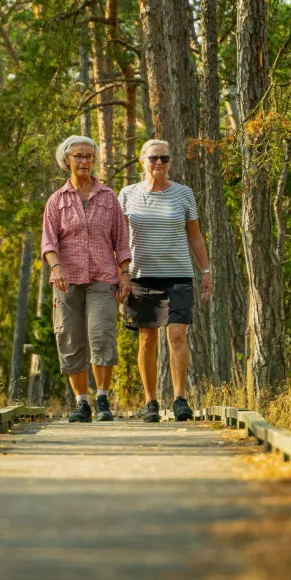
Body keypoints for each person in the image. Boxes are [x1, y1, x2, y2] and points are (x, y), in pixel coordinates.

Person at [118, 139, 212, 422]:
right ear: (142, 160)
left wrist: (205, 272)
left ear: (170, 162)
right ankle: (150, 402)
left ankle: (180, 399)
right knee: (147, 339)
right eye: (153, 158)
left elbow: (194, 235)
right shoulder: (127, 194)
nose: (159, 163)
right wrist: (121, 274)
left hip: (179, 274)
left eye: (164, 158)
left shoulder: (183, 194)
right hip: (142, 275)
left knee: (177, 334)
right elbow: (120, 239)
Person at [41, 135, 131, 423]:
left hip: (103, 277)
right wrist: (56, 268)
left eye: (89, 156)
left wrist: (125, 273)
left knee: (102, 333)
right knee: (69, 336)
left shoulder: (108, 197)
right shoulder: (57, 200)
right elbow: (48, 243)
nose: (84, 161)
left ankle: (102, 398)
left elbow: (122, 240)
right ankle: (82, 403)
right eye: (78, 156)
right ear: (66, 160)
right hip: (66, 280)